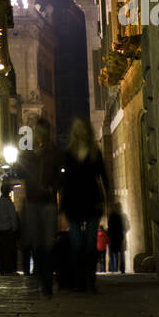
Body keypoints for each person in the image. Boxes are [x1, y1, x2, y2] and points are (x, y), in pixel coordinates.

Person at [59, 118, 110, 293]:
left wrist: (106, 199)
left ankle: (90, 279)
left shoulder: (95, 152)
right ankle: (80, 280)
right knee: (76, 244)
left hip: (92, 202)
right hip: (74, 203)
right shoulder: (69, 154)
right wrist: (63, 205)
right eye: (77, 128)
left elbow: (103, 176)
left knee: (89, 244)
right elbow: (65, 181)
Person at [19, 116, 62, 298]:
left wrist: (53, 187)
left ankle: (46, 281)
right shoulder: (28, 151)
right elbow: (21, 171)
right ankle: (41, 278)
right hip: (32, 200)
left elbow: (61, 173)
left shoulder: (54, 152)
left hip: (48, 201)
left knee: (48, 242)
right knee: (37, 243)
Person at [0, 180, 20, 275]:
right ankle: (10, 269)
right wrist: (14, 228)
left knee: (1, 251)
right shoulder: (9, 203)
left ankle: (2, 268)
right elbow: (13, 217)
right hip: (8, 231)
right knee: (9, 252)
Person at [107, 205, 126, 273]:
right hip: (120, 236)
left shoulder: (112, 217)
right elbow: (126, 226)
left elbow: (109, 227)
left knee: (114, 253)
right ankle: (121, 268)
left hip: (114, 237)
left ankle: (115, 268)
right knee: (120, 253)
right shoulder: (122, 216)